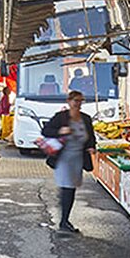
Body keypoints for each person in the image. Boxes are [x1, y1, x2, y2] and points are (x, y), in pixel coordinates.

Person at [40, 91, 98, 235]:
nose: (78, 104)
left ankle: (65, 218)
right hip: (63, 158)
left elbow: (91, 137)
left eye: (81, 101)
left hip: (78, 158)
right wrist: (60, 130)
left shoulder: (86, 119)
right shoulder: (61, 117)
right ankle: (64, 221)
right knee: (68, 187)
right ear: (69, 101)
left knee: (70, 189)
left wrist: (91, 147)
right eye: (76, 100)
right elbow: (46, 131)